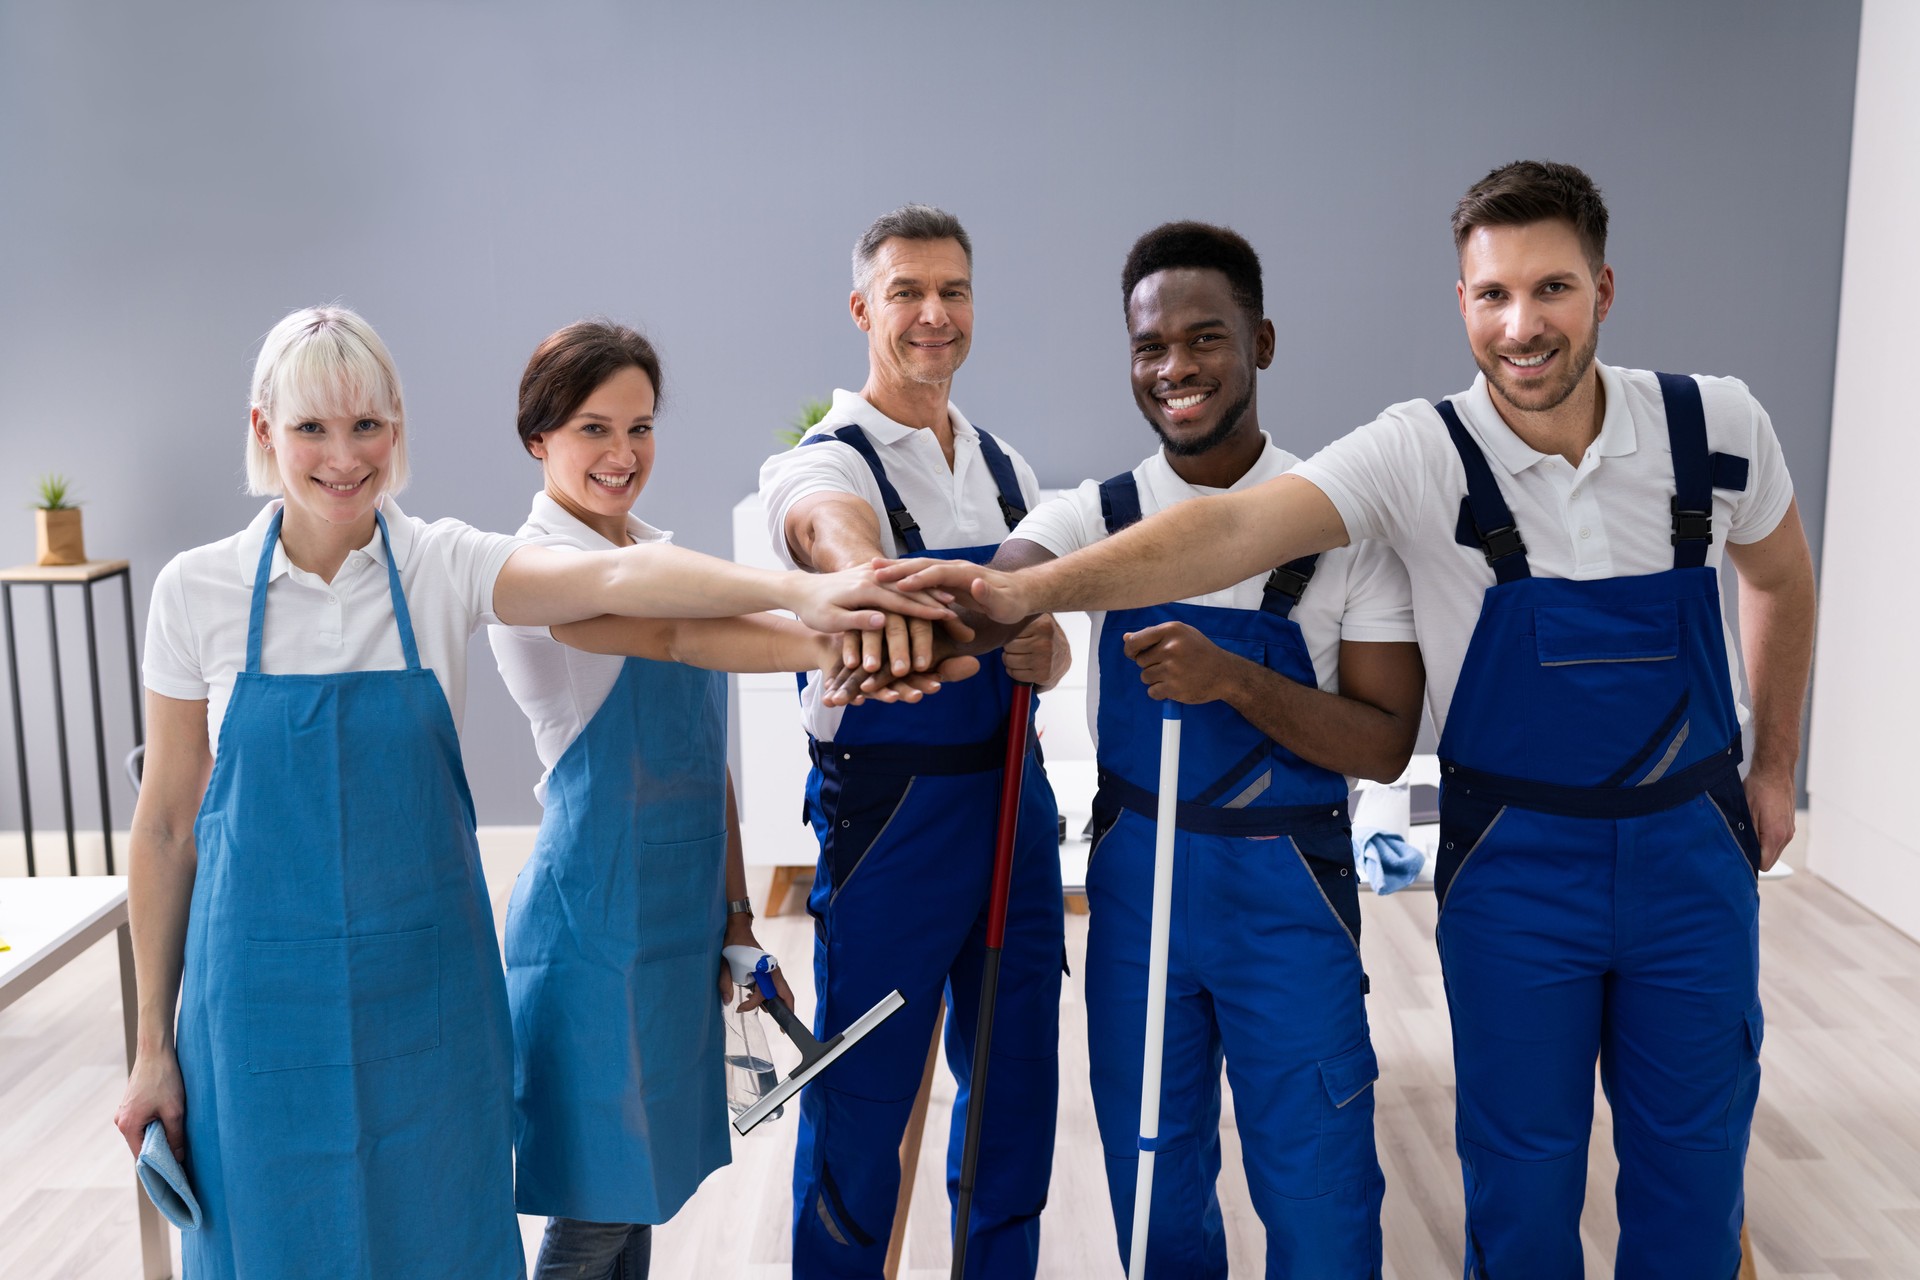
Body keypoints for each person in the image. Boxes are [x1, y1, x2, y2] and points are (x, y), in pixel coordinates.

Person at [882, 162, 1817, 1280]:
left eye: (1552, 289)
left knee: (1694, 1176)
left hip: (1682, 865)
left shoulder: (1715, 426)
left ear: (1603, 290)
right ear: (1461, 302)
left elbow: (1781, 578)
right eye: (1492, 296)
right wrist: (1010, 597)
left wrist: (1775, 769)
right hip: (1507, 870)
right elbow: (1227, 533)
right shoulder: (1416, 452)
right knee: (1517, 1184)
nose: (1522, 325)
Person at [110, 305, 951, 1280]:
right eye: (311, 428)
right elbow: (168, 825)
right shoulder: (194, 590)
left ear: (398, 430)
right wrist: (149, 1046)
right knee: (269, 1242)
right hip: (253, 1002)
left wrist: (820, 616)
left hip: (428, 997)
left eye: (367, 425)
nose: (343, 455)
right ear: (264, 430)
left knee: (447, 1238)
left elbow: (634, 580)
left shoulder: (444, 564)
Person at [490, 319, 972, 1280]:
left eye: (640, 427)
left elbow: (704, 762)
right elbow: (678, 635)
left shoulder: (662, 548)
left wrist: (739, 916)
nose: (623, 455)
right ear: (538, 438)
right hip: (589, 927)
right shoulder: (534, 571)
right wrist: (841, 636)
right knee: (596, 1208)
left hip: (671, 918)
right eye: (593, 429)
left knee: (642, 1198)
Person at [996, 222, 1421, 1277]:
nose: (1175, 368)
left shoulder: (1340, 527)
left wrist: (1236, 678)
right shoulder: (1094, 515)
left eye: (1206, 338)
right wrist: (1020, 620)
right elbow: (1004, 582)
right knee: (1154, 1186)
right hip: (1141, 887)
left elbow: (1386, 739)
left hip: (1290, 896)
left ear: (1262, 342)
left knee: (1320, 1193)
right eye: (1150, 347)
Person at [757, 204, 1068, 1279]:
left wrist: (1049, 649)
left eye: (953, 291)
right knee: (862, 1105)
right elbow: (828, 530)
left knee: (1017, 1098)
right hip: (892, 829)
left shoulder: (1005, 466)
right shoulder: (816, 461)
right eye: (906, 292)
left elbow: (1043, 622)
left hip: (1016, 817)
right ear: (862, 308)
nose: (934, 314)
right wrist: (864, 572)